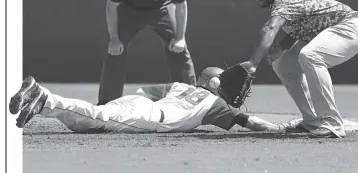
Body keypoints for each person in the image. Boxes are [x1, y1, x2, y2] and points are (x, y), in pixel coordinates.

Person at [240, 0, 358, 138]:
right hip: (327, 31)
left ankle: (332, 123)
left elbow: (270, 28)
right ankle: (312, 120)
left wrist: (252, 64)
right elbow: (304, 25)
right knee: (284, 65)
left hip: (348, 26)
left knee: (310, 55)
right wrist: (282, 46)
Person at [8, 68, 282, 133]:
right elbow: (249, 121)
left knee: (87, 122)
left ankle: (41, 102)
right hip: (151, 118)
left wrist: (128, 105)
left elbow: (143, 92)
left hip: (139, 103)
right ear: (214, 84)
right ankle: (44, 97)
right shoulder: (217, 104)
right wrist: (278, 129)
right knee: (95, 118)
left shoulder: (179, 86)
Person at [98, 0, 196, 105]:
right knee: (115, 51)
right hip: (130, 12)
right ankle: (107, 104)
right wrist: (114, 39)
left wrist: (180, 37)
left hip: (160, 10)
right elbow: (111, 5)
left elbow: (181, 4)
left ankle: (190, 101)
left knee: (179, 49)